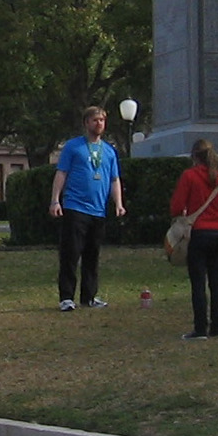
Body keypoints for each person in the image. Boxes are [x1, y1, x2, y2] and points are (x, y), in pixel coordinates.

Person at [49, 107, 125, 310]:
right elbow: (61, 173)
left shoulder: (109, 151)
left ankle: (89, 296)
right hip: (75, 207)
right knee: (71, 254)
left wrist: (118, 203)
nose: (99, 123)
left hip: (98, 210)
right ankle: (66, 298)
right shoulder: (73, 147)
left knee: (92, 255)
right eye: (94, 120)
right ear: (86, 123)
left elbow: (114, 179)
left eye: (101, 120)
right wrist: (55, 200)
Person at [170, 140, 218, 341]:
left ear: (194, 156)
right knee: (217, 283)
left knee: (198, 283)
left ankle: (200, 328)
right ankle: (217, 327)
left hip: (198, 234)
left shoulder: (189, 176)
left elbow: (176, 206)